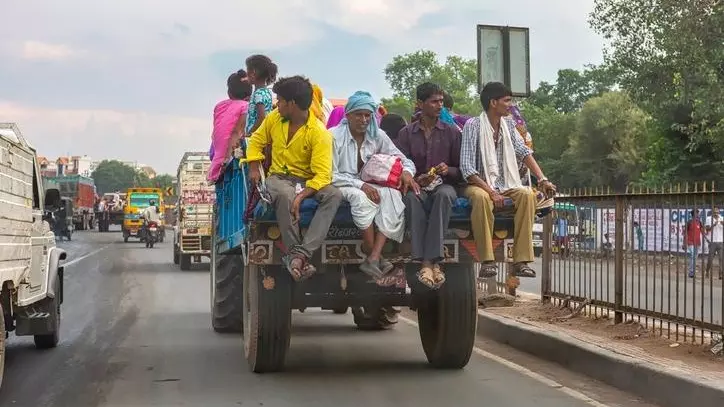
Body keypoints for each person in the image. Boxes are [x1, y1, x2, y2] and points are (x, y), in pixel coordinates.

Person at [246, 75, 342, 282]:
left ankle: (301, 254)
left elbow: (323, 175)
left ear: (292, 104)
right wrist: (254, 165)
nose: (276, 104)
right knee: (283, 194)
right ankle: (293, 253)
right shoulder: (274, 118)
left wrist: (302, 196)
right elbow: (256, 141)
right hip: (279, 177)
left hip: (308, 180)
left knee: (334, 194)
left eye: (279, 100)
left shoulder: (319, 133)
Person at [460, 82, 556, 279]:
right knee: (481, 198)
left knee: (527, 195)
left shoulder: (509, 125)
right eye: (507, 101)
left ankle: (521, 261)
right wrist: (491, 191)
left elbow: (524, 152)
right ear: (493, 102)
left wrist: (542, 178)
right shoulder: (473, 126)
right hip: (478, 184)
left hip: (505, 184)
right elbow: (467, 169)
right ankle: (487, 261)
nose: (510, 105)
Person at [331, 91, 416, 278]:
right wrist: (360, 185)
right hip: (340, 183)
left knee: (393, 196)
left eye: (367, 115)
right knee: (362, 198)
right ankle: (373, 254)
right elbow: (329, 174)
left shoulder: (377, 135)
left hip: (367, 183)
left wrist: (406, 173)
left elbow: (403, 160)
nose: (363, 119)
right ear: (348, 115)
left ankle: (374, 257)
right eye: (358, 114)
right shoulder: (333, 136)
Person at [395, 82, 462, 289]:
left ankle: (427, 262)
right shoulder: (406, 134)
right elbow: (398, 165)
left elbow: (462, 170)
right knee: (411, 198)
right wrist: (415, 179)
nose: (439, 106)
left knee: (444, 196)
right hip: (418, 187)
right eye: (434, 101)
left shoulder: (452, 132)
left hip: (444, 186)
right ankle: (426, 262)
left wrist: (447, 170)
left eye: (441, 101)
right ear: (420, 104)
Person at [208, 70, 253, 182]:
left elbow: (217, 130)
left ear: (229, 92)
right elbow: (238, 132)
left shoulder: (219, 106)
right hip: (230, 158)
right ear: (249, 94)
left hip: (215, 156)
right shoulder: (246, 106)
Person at [685, 209, 704, 278]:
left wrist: (707, 240)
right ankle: (691, 272)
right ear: (693, 214)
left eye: (698, 213)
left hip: (697, 242)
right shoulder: (689, 222)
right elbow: (685, 233)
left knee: (695, 257)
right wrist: (684, 243)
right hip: (690, 241)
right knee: (692, 255)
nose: (698, 215)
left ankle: (692, 271)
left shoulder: (699, 222)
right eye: (697, 213)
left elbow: (702, 231)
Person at [705, 206, 723, 279]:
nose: (716, 213)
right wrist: (714, 225)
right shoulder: (709, 219)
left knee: (721, 259)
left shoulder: (722, 218)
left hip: (721, 241)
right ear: (712, 212)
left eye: (717, 212)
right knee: (710, 259)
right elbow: (707, 229)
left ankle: (720, 274)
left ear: (719, 212)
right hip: (712, 242)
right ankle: (707, 271)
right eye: (715, 212)